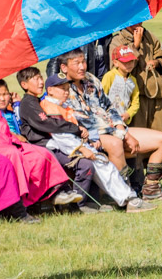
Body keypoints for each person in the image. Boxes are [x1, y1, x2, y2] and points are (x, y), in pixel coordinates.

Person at [16, 66, 153, 213]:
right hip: (54, 147)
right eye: (35, 79)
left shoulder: (52, 104)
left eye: (40, 77)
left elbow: (72, 124)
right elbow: (55, 130)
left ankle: (121, 199)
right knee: (97, 164)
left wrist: (88, 139)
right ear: (25, 85)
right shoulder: (40, 104)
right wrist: (81, 146)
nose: (40, 82)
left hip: (69, 144)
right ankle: (122, 200)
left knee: (102, 165)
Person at [57, 48, 162, 201]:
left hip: (114, 128)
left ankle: (151, 188)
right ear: (64, 67)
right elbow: (83, 120)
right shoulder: (60, 88)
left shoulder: (91, 79)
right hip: (90, 136)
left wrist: (122, 129)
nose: (82, 67)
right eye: (76, 63)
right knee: (115, 143)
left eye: (83, 62)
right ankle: (127, 194)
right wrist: (120, 134)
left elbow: (109, 106)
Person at [0, 91, 80, 208]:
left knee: (41, 153)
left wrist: (5, 135)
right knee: (12, 154)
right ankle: (18, 205)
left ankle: (56, 190)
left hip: (2, 138)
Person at [110, 23, 162, 196]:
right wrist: (134, 47)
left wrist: (157, 62)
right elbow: (117, 69)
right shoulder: (117, 40)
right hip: (135, 98)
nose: (140, 23)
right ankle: (140, 184)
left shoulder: (150, 36)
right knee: (137, 143)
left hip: (156, 95)